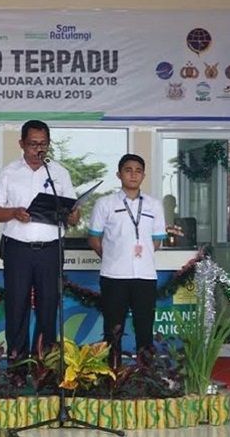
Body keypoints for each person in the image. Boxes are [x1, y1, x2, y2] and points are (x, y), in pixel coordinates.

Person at [0, 120, 79, 361]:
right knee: (17, 307)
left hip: (50, 250)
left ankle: (44, 365)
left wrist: (73, 215)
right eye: (32, 144)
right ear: (21, 144)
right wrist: (14, 213)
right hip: (18, 250)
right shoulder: (9, 172)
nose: (38, 150)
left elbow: (74, 214)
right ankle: (16, 366)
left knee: (49, 308)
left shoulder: (59, 172)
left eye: (43, 145)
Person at [87, 154, 167, 366]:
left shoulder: (154, 206)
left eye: (138, 170)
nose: (133, 174)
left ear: (144, 175)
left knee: (144, 328)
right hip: (114, 275)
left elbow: (156, 241)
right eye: (128, 170)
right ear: (119, 174)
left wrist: (141, 254)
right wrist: (112, 256)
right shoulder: (105, 204)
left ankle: (146, 375)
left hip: (145, 275)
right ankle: (112, 376)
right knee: (113, 329)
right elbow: (94, 238)